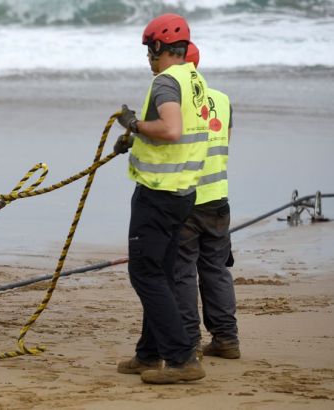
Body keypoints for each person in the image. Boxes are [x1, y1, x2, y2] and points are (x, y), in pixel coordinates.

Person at [113, 14, 210, 384]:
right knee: (162, 273)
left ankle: (181, 359)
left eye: (148, 50)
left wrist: (134, 125)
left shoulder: (166, 82)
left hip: (159, 193)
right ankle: (149, 354)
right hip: (183, 192)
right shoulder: (194, 79)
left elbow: (171, 128)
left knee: (146, 274)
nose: (147, 58)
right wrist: (137, 137)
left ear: (158, 47)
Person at [174, 43, 240, 359]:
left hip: (185, 200)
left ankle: (189, 344)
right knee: (215, 270)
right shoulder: (224, 100)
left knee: (182, 273)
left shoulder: (172, 103)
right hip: (217, 199)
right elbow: (224, 140)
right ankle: (226, 340)